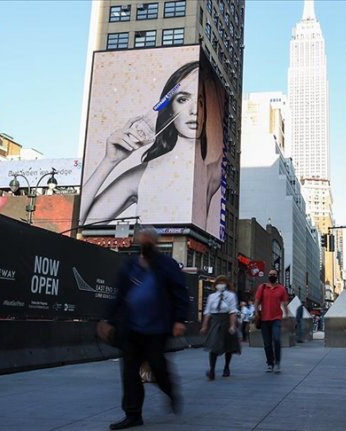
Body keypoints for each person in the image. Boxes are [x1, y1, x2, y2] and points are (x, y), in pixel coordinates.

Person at [80, 61, 223, 234]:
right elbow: (79, 225)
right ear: (169, 107)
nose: (194, 110)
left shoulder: (212, 172)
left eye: (202, 101)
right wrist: (110, 161)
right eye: (183, 99)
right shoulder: (143, 175)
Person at [97, 225, 189, 430]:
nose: (145, 243)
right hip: (131, 329)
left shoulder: (167, 265)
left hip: (157, 329)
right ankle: (132, 414)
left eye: (148, 240)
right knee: (130, 372)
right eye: (142, 240)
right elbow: (118, 295)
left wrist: (179, 320)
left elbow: (180, 293)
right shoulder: (130, 266)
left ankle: (170, 390)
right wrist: (108, 320)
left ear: (155, 243)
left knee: (158, 367)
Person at [200, 276, 240, 380]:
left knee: (228, 346)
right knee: (213, 345)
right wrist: (204, 326)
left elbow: (232, 311)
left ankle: (226, 367)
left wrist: (232, 325)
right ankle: (212, 370)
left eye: (223, 282)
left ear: (227, 284)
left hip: (226, 320)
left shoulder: (231, 296)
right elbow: (207, 312)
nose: (220, 284)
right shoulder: (212, 296)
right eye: (219, 282)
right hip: (215, 322)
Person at [253, 269, 290, 373]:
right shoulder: (262, 287)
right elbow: (256, 301)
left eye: (274, 274)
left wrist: (287, 315)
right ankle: (270, 363)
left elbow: (285, 303)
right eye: (270, 274)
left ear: (277, 276)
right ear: (268, 276)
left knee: (277, 340)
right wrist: (256, 313)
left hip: (276, 319)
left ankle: (277, 362)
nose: (272, 276)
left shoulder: (281, 289)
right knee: (267, 343)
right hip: (264, 319)